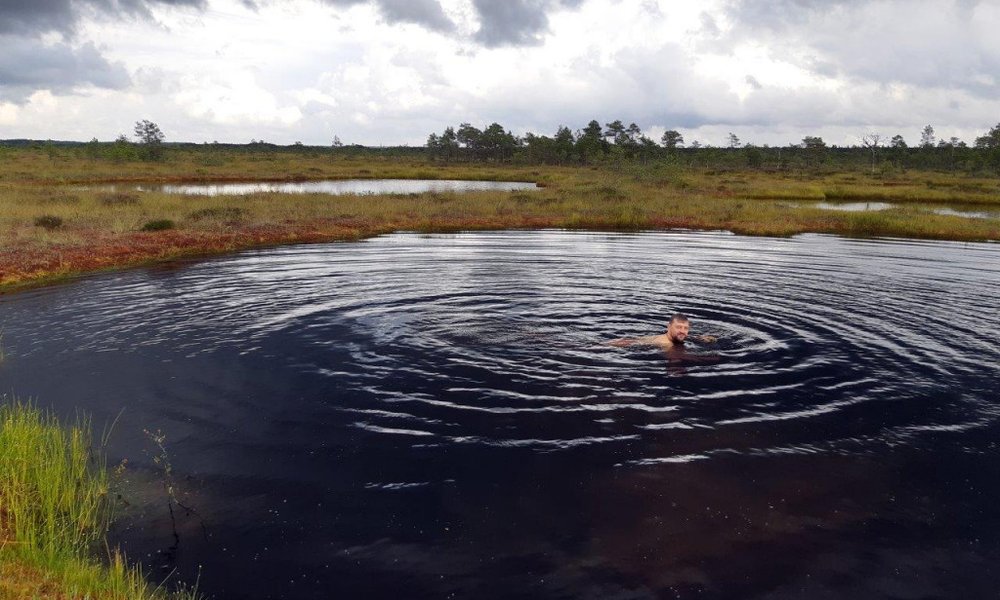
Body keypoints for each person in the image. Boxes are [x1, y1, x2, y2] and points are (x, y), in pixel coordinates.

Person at [608, 313, 716, 348]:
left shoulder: (675, 336)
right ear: (668, 327)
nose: (683, 331)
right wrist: (704, 359)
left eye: (686, 328)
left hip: (633, 340)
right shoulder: (666, 343)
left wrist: (699, 338)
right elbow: (675, 357)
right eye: (678, 327)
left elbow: (682, 336)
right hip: (629, 344)